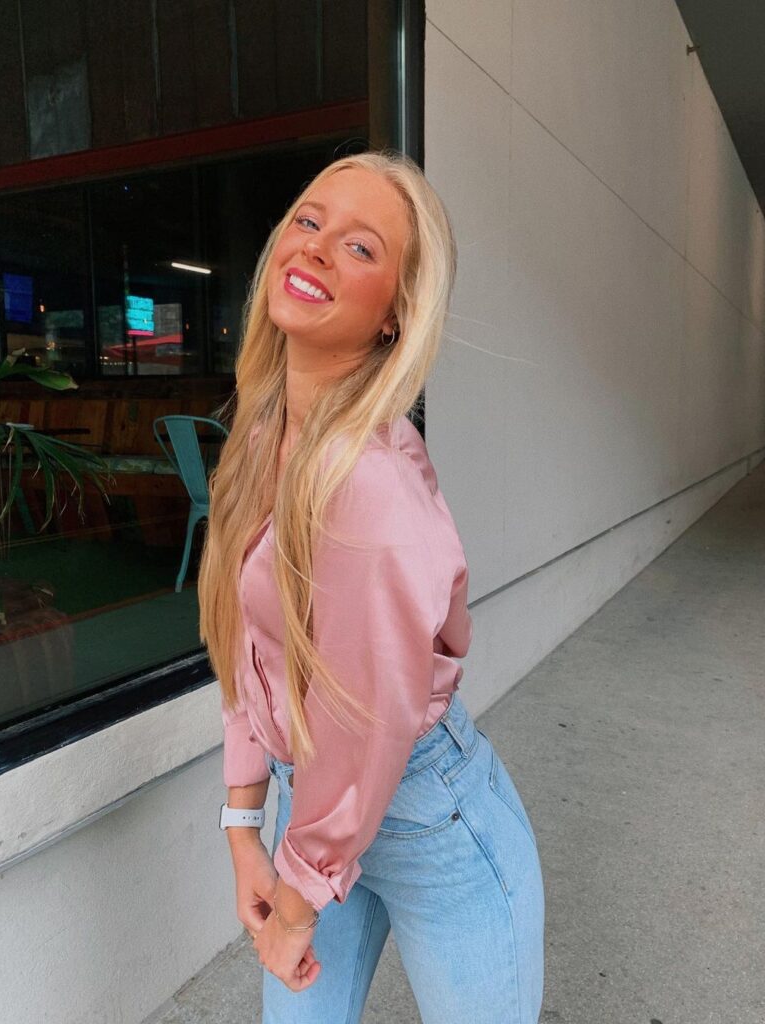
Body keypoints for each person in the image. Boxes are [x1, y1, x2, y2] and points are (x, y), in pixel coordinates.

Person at [198, 149, 545, 1024]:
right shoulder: (261, 439)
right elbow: (247, 648)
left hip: (428, 821)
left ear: (395, 315)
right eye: (308, 221)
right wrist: (243, 825)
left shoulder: (367, 485)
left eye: (360, 247)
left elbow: (364, 723)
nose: (315, 248)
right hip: (315, 810)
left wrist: (296, 901)